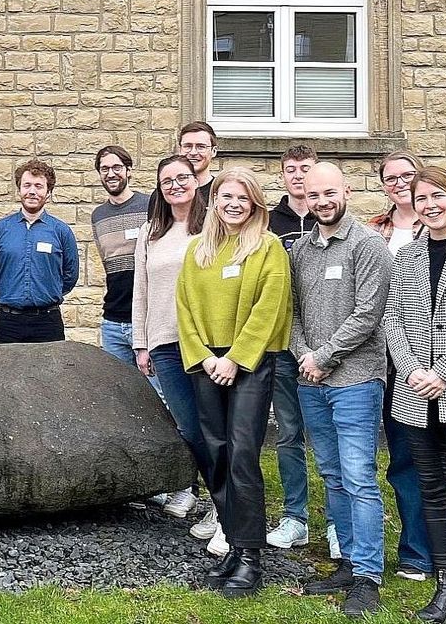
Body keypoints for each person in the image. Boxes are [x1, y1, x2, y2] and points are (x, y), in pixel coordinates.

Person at [176, 167, 292, 598]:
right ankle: (232, 541)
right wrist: (205, 358)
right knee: (217, 453)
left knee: (243, 455)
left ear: (255, 203)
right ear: (215, 201)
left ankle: (250, 557)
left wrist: (237, 359)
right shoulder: (198, 251)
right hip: (206, 363)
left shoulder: (268, 248)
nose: (233, 204)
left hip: (249, 365)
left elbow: (269, 309)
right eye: (226, 196)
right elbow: (183, 307)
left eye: (243, 198)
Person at [291, 162, 391, 617]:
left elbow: (369, 313)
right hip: (310, 379)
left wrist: (323, 355)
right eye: (314, 195)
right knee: (331, 474)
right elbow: (289, 311)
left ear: (346, 192)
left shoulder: (368, 244)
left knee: (359, 477)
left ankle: (368, 576)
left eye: (329, 193)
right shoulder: (301, 250)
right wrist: (302, 355)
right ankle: (349, 561)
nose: (322, 201)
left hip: (355, 379)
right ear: (304, 199)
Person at [370, 150, 446, 583]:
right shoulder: (406, 256)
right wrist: (409, 370)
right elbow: (392, 318)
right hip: (414, 393)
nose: (429, 204)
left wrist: (444, 373)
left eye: (437, 195)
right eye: (421, 197)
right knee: (434, 489)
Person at [132, 156, 216, 538]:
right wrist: (141, 344)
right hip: (165, 342)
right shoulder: (152, 232)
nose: (175, 185)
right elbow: (142, 292)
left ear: (196, 180)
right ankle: (217, 497)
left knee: (216, 425)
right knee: (189, 428)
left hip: (208, 343)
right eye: (167, 181)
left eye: (182, 177)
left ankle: (225, 507)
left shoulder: (215, 225)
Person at [265, 145, 324, 553]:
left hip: (327, 345)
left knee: (330, 436)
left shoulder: (329, 217)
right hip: (283, 340)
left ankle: (339, 521)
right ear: (283, 176)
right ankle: (295, 516)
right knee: (288, 433)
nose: (299, 176)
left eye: (306, 169)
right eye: (291, 170)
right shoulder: (269, 221)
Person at [0, 159, 78, 344]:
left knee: (51, 373)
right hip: (8, 322)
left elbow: (70, 274)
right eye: (26, 185)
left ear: (48, 193)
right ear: (19, 189)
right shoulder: (0, 230)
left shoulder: (61, 231)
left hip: (48, 321)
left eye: (39, 186)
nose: (32, 191)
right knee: (6, 372)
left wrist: (46, 292)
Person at [91, 147, 156, 381]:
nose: (111, 174)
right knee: (120, 395)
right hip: (113, 322)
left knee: (158, 396)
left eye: (117, 167)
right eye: (104, 169)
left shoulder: (151, 205)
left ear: (129, 170)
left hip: (147, 321)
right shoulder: (98, 215)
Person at [147, 122, 219, 217]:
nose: (193, 152)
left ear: (213, 151)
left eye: (201, 147)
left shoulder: (220, 191)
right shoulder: (165, 193)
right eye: (188, 146)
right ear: (180, 149)